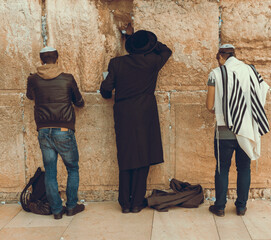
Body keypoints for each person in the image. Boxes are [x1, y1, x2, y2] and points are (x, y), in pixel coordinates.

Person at [100, 28, 172, 213]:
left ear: (130, 46)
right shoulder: (153, 61)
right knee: (143, 156)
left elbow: (105, 90)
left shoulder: (116, 63)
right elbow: (166, 50)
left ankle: (124, 203)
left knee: (126, 156)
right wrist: (150, 43)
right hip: (145, 113)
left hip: (124, 114)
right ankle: (137, 202)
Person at [206, 44, 270, 217]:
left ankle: (219, 207)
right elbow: (263, 90)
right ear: (234, 55)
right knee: (244, 168)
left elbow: (209, 105)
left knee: (222, 168)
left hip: (224, 130)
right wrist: (246, 111)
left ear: (220, 57)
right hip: (246, 129)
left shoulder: (216, 73)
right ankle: (241, 207)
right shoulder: (250, 70)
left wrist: (224, 110)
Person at [26, 46, 85, 219]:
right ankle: (72, 206)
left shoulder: (33, 79)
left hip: (44, 130)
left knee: (50, 171)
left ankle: (57, 211)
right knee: (72, 168)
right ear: (57, 59)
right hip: (64, 130)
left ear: (41, 60)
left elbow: (30, 97)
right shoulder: (67, 79)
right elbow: (79, 101)